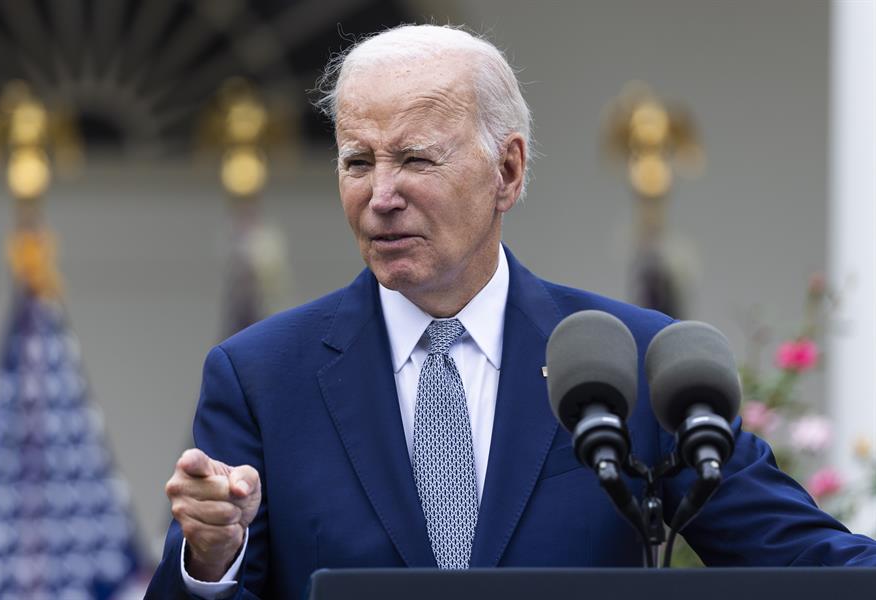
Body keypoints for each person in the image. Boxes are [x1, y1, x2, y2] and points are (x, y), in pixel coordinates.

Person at [145, 24, 876, 600]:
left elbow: (807, 560)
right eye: (358, 162)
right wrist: (211, 558)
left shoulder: (633, 363)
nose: (381, 194)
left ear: (509, 170)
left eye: (416, 160)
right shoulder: (262, 378)